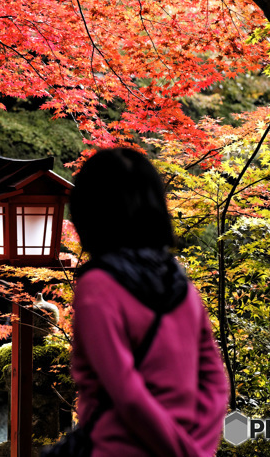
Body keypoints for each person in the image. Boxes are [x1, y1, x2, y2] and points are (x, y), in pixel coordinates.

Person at [64, 147, 229, 456]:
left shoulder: (97, 287)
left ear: (89, 212)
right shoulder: (178, 281)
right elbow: (216, 382)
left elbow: (126, 394)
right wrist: (197, 449)